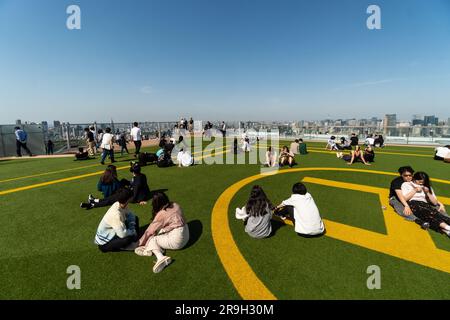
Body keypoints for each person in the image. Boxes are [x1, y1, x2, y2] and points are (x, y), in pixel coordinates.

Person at [134, 192, 190, 273]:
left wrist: (139, 243)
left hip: (178, 240)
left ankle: (159, 257)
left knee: (153, 239)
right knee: (160, 232)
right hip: (186, 233)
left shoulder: (162, 214)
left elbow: (150, 231)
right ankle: (153, 249)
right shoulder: (175, 204)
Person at [81, 162, 150, 209]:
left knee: (110, 199)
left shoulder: (102, 177)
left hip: (116, 193)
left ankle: (93, 202)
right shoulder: (142, 176)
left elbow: (99, 188)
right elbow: (136, 191)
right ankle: (93, 203)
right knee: (111, 199)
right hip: (122, 193)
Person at [401, 172, 450, 237]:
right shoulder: (407, 184)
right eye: (419, 181)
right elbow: (405, 198)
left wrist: (427, 193)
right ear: (414, 179)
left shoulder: (427, 187)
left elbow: (435, 202)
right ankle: (447, 228)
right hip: (413, 203)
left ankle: (447, 230)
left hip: (425, 204)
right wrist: (415, 190)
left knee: (437, 214)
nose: (421, 183)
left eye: (423, 182)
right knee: (428, 214)